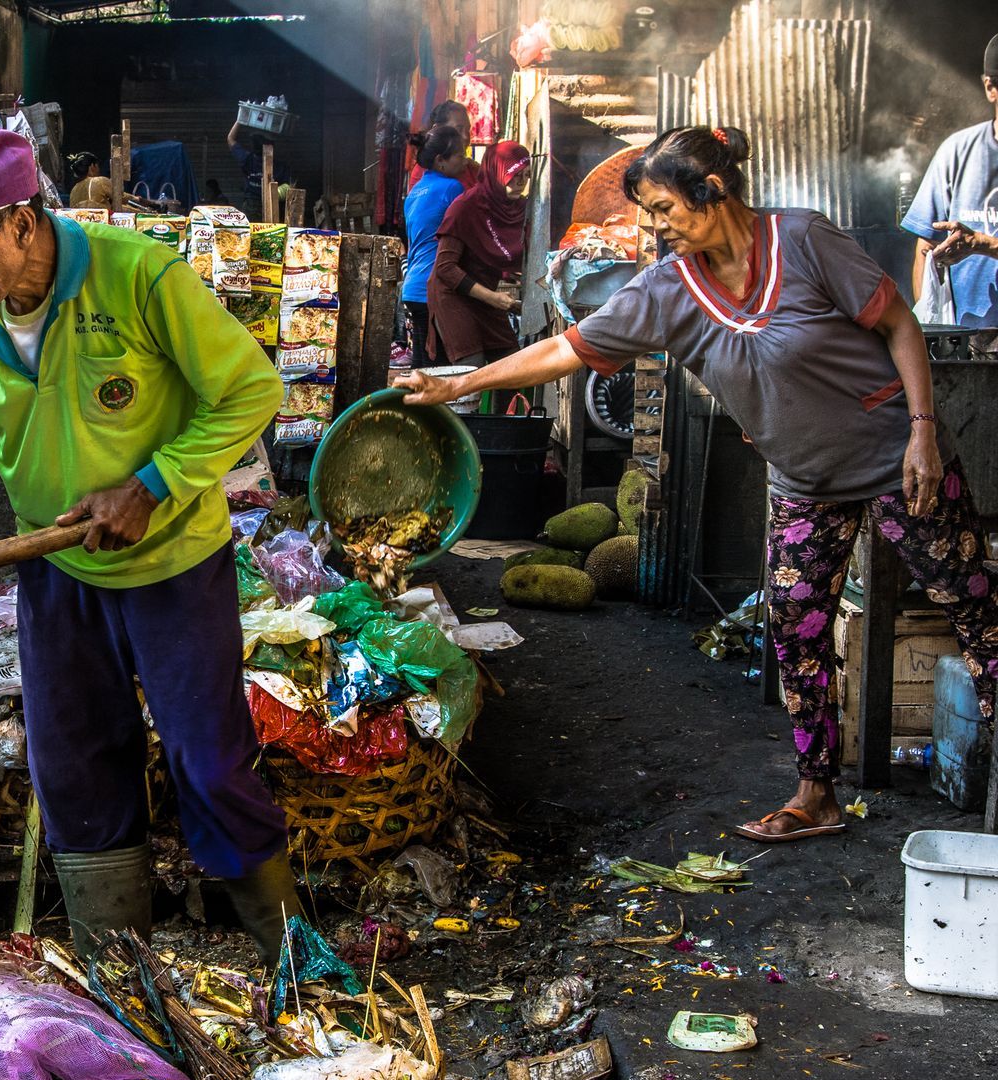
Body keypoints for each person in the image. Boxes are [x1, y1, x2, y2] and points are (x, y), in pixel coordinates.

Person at [399, 126, 998, 844]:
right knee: (798, 631)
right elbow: (567, 348)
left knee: (976, 613)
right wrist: (460, 382)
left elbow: (899, 321)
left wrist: (925, 430)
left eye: (661, 208)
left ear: (712, 192)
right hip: (804, 482)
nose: (654, 226)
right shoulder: (666, 290)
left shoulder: (804, 241)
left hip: (896, 459)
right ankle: (817, 795)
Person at [0, 126, 301, 956]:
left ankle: (288, 947)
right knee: (75, 762)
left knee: (209, 760)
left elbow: (250, 391)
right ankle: (118, 967)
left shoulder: (139, 274)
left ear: (19, 220)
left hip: (173, 566)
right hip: (52, 567)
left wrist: (150, 486)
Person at [902, 34, 998, 328]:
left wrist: (982, 244)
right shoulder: (957, 152)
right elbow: (926, 249)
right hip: (970, 338)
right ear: (990, 87)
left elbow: (976, 244)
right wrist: (931, 334)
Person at [426, 141, 531, 369]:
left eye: (526, 175)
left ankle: (507, 408)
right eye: (513, 174)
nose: (521, 182)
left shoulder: (520, 209)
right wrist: (494, 298)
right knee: (471, 367)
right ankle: (465, 406)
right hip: (452, 294)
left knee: (511, 366)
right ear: (495, 172)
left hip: (484, 293)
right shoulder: (465, 206)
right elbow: (446, 269)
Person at [401, 125, 473, 370]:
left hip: (413, 287)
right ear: (440, 161)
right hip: (433, 288)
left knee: (423, 364)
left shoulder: (414, 193)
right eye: (460, 155)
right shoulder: (451, 188)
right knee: (439, 368)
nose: (465, 160)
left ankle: (412, 408)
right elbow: (466, 234)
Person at [408, 100, 476, 189]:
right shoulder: (423, 173)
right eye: (459, 129)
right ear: (437, 129)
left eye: (468, 130)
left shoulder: (472, 169)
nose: (466, 136)